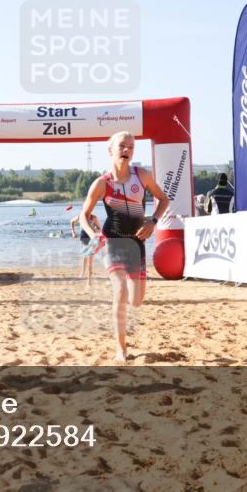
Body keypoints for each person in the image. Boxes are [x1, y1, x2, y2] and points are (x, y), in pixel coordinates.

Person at [80, 132, 169, 362]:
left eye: (130, 146)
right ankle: (121, 349)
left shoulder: (143, 176)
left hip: (136, 243)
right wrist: (94, 234)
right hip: (113, 241)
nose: (126, 150)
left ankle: (124, 318)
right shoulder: (102, 183)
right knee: (119, 289)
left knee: (136, 300)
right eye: (122, 146)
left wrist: (152, 221)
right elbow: (83, 215)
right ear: (111, 150)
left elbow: (164, 200)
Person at [70, 212, 102, 286]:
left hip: (92, 239)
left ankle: (89, 280)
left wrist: (95, 231)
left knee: (90, 260)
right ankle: (83, 272)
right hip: (84, 238)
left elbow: (99, 228)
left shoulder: (93, 218)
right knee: (85, 256)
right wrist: (73, 232)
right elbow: (72, 221)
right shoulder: (80, 217)